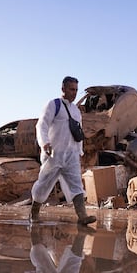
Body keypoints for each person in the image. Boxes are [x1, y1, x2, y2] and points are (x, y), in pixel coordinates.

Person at [29, 76, 96, 225]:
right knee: (44, 184)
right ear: (63, 89)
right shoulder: (54, 105)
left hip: (71, 155)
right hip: (53, 154)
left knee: (76, 184)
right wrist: (44, 143)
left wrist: (80, 152)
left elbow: (78, 132)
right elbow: (42, 126)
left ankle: (82, 216)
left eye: (76, 90)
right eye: (72, 89)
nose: (74, 93)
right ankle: (34, 211)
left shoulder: (76, 111)